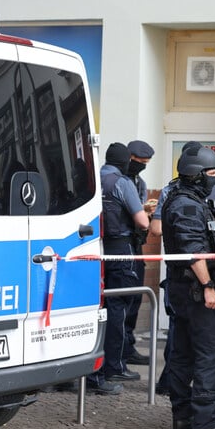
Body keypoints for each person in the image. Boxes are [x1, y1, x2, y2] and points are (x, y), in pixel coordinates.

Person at [160, 144, 215, 429]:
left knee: (182, 354)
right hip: (196, 290)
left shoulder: (189, 199)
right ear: (195, 175)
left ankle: (183, 418)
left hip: (184, 290)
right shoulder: (187, 205)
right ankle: (206, 422)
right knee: (209, 354)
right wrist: (208, 287)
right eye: (211, 173)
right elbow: (194, 252)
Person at [86, 142, 150, 395]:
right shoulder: (121, 182)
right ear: (125, 161)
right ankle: (113, 365)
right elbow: (142, 222)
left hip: (92, 248)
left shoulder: (91, 179)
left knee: (96, 307)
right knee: (118, 307)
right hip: (121, 250)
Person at [123, 139, 156, 367]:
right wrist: (142, 210)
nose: (142, 166)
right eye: (139, 162)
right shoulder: (120, 180)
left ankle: (129, 344)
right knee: (122, 300)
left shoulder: (139, 182)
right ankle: (121, 347)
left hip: (136, 244)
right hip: (122, 245)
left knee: (135, 298)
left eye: (146, 163)